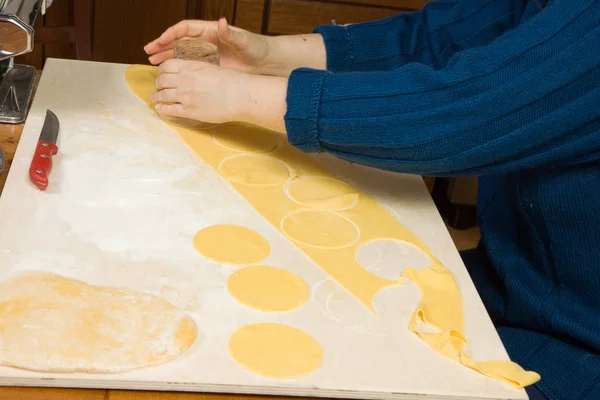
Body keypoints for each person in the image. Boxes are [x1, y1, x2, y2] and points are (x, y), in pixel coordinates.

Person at [144, 0, 600, 398]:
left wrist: (245, 96)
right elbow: (439, 37)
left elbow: (473, 109)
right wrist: (268, 55)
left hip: (578, 350)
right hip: (517, 284)